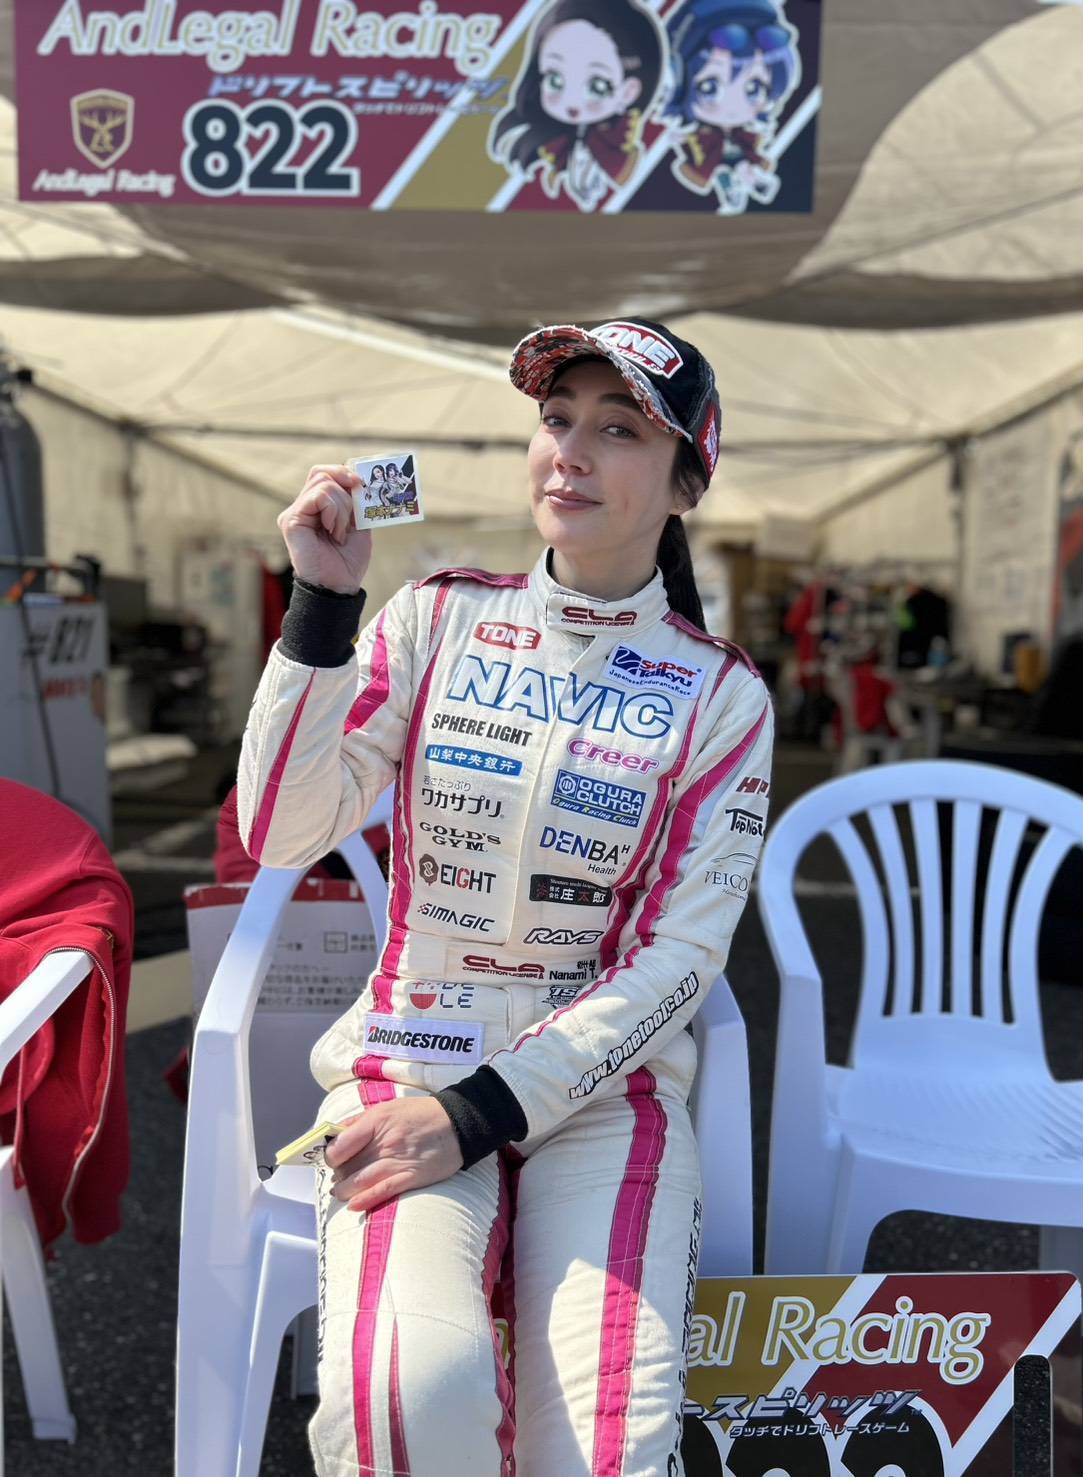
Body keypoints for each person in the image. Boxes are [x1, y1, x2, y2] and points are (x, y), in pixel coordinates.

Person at [237, 317, 774, 1476]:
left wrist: (483, 1112)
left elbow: (682, 958)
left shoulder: (721, 695)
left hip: (604, 1093)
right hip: (407, 1062)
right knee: (408, 1397)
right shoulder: (434, 614)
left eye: (618, 430)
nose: (569, 451)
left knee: (607, 1447)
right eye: (556, 418)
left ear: (687, 481)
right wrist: (321, 608)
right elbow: (280, 830)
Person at [488, 0, 665, 212]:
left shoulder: (622, 145)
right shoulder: (542, 145)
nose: (571, 101)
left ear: (629, 91)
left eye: (597, 86)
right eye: (555, 80)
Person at [663, 0, 801, 213]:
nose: (733, 108)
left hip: (738, 153)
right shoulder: (699, 130)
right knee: (723, 172)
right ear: (678, 81)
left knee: (744, 166)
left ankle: (753, 181)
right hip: (709, 157)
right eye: (709, 87)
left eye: (755, 89)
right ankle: (734, 189)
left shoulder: (746, 132)